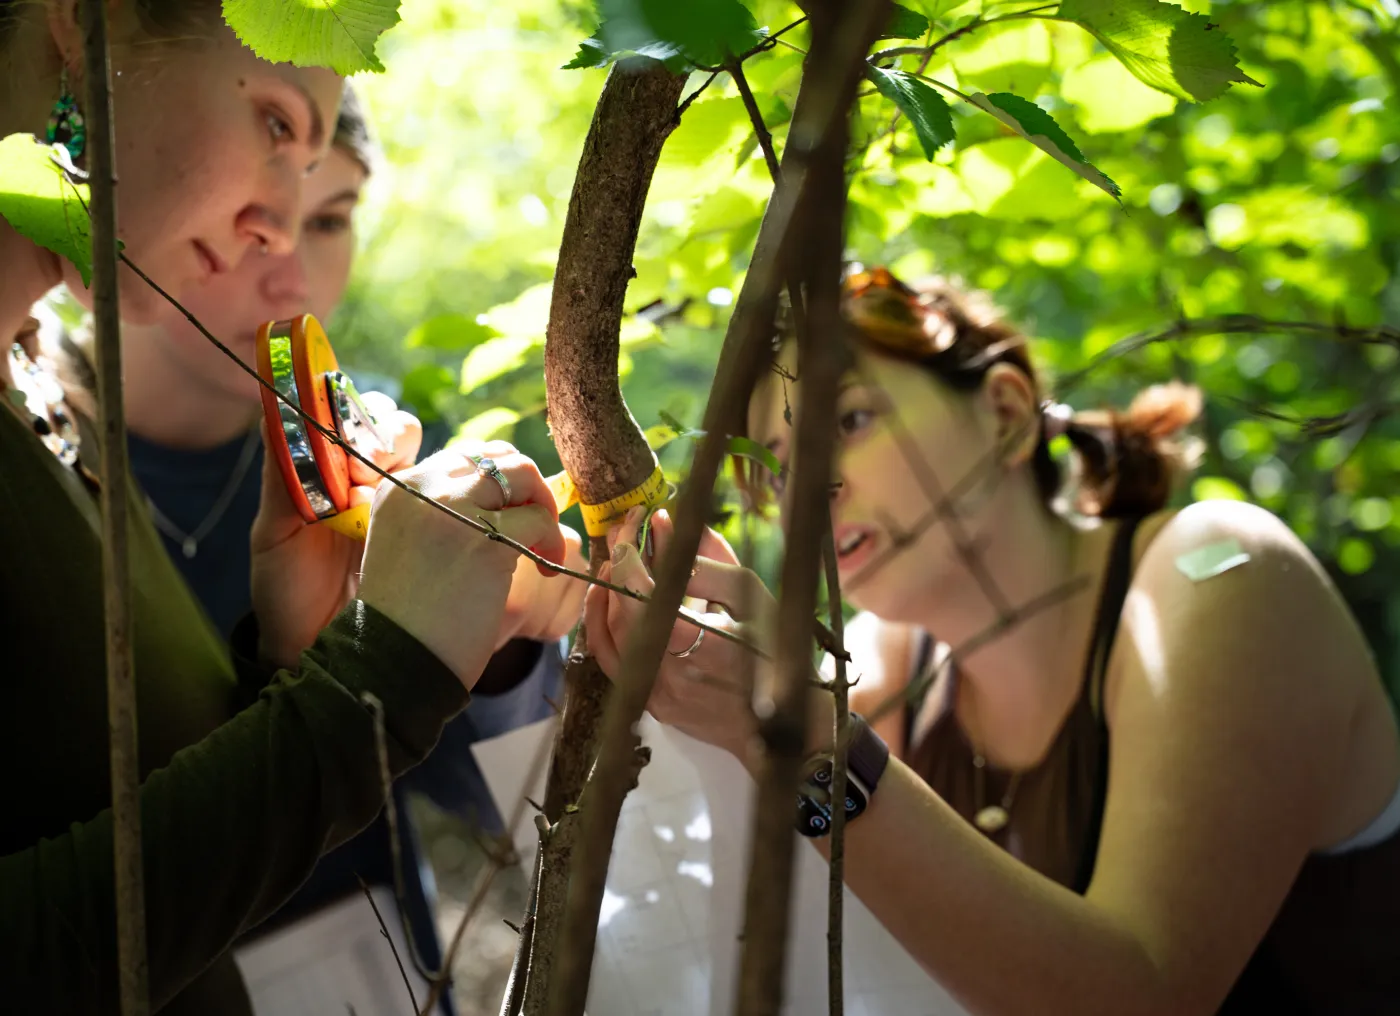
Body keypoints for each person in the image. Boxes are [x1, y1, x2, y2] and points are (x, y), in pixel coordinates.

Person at [586, 266, 1400, 1014]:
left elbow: (1149, 995)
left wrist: (807, 740)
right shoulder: (895, 664)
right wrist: (553, 620)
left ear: (1006, 413)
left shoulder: (1220, 571)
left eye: (852, 419)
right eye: (776, 474)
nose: (813, 494)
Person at [0, 1, 582, 1012]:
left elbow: (136, 836)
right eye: (275, 123)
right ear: (78, 22)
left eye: (324, 199)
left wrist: (297, 656)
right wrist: (376, 671)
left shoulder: (46, 387)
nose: (282, 240)